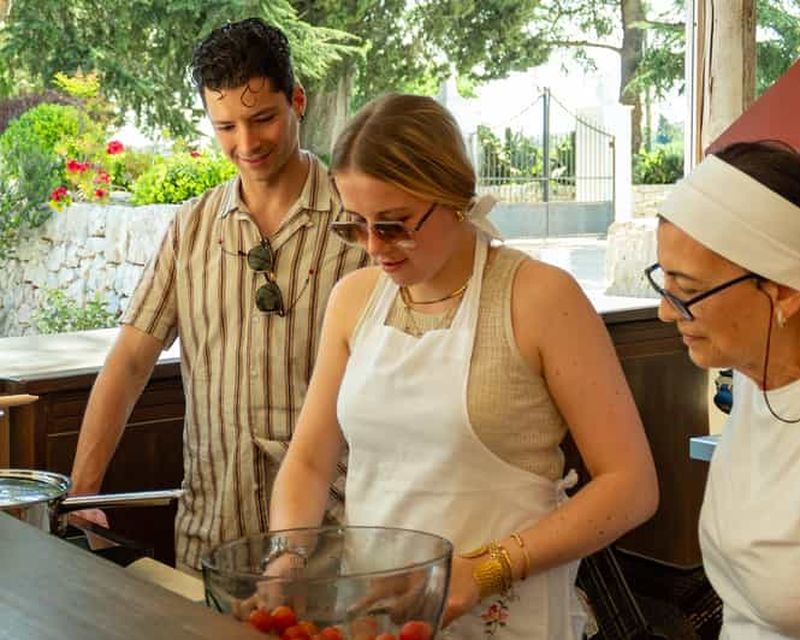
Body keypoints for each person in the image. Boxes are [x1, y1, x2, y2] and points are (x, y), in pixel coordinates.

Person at [269, 93, 658, 638]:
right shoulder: (353, 300)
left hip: (513, 616)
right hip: (381, 615)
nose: (375, 247)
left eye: (394, 224)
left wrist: (484, 570)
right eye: (355, 225)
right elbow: (310, 459)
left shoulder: (540, 298)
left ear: (453, 196)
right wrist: (286, 557)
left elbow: (631, 486)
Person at [68, 18, 367, 573]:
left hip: (335, 547)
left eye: (262, 120)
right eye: (226, 126)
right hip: (210, 541)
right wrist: (85, 495)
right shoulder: (192, 227)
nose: (246, 144)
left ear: (297, 100)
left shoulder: (361, 225)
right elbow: (132, 360)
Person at [647, 140, 800, 639]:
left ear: (783, 291)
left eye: (688, 291)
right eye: (665, 282)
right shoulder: (759, 379)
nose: (666, 311)